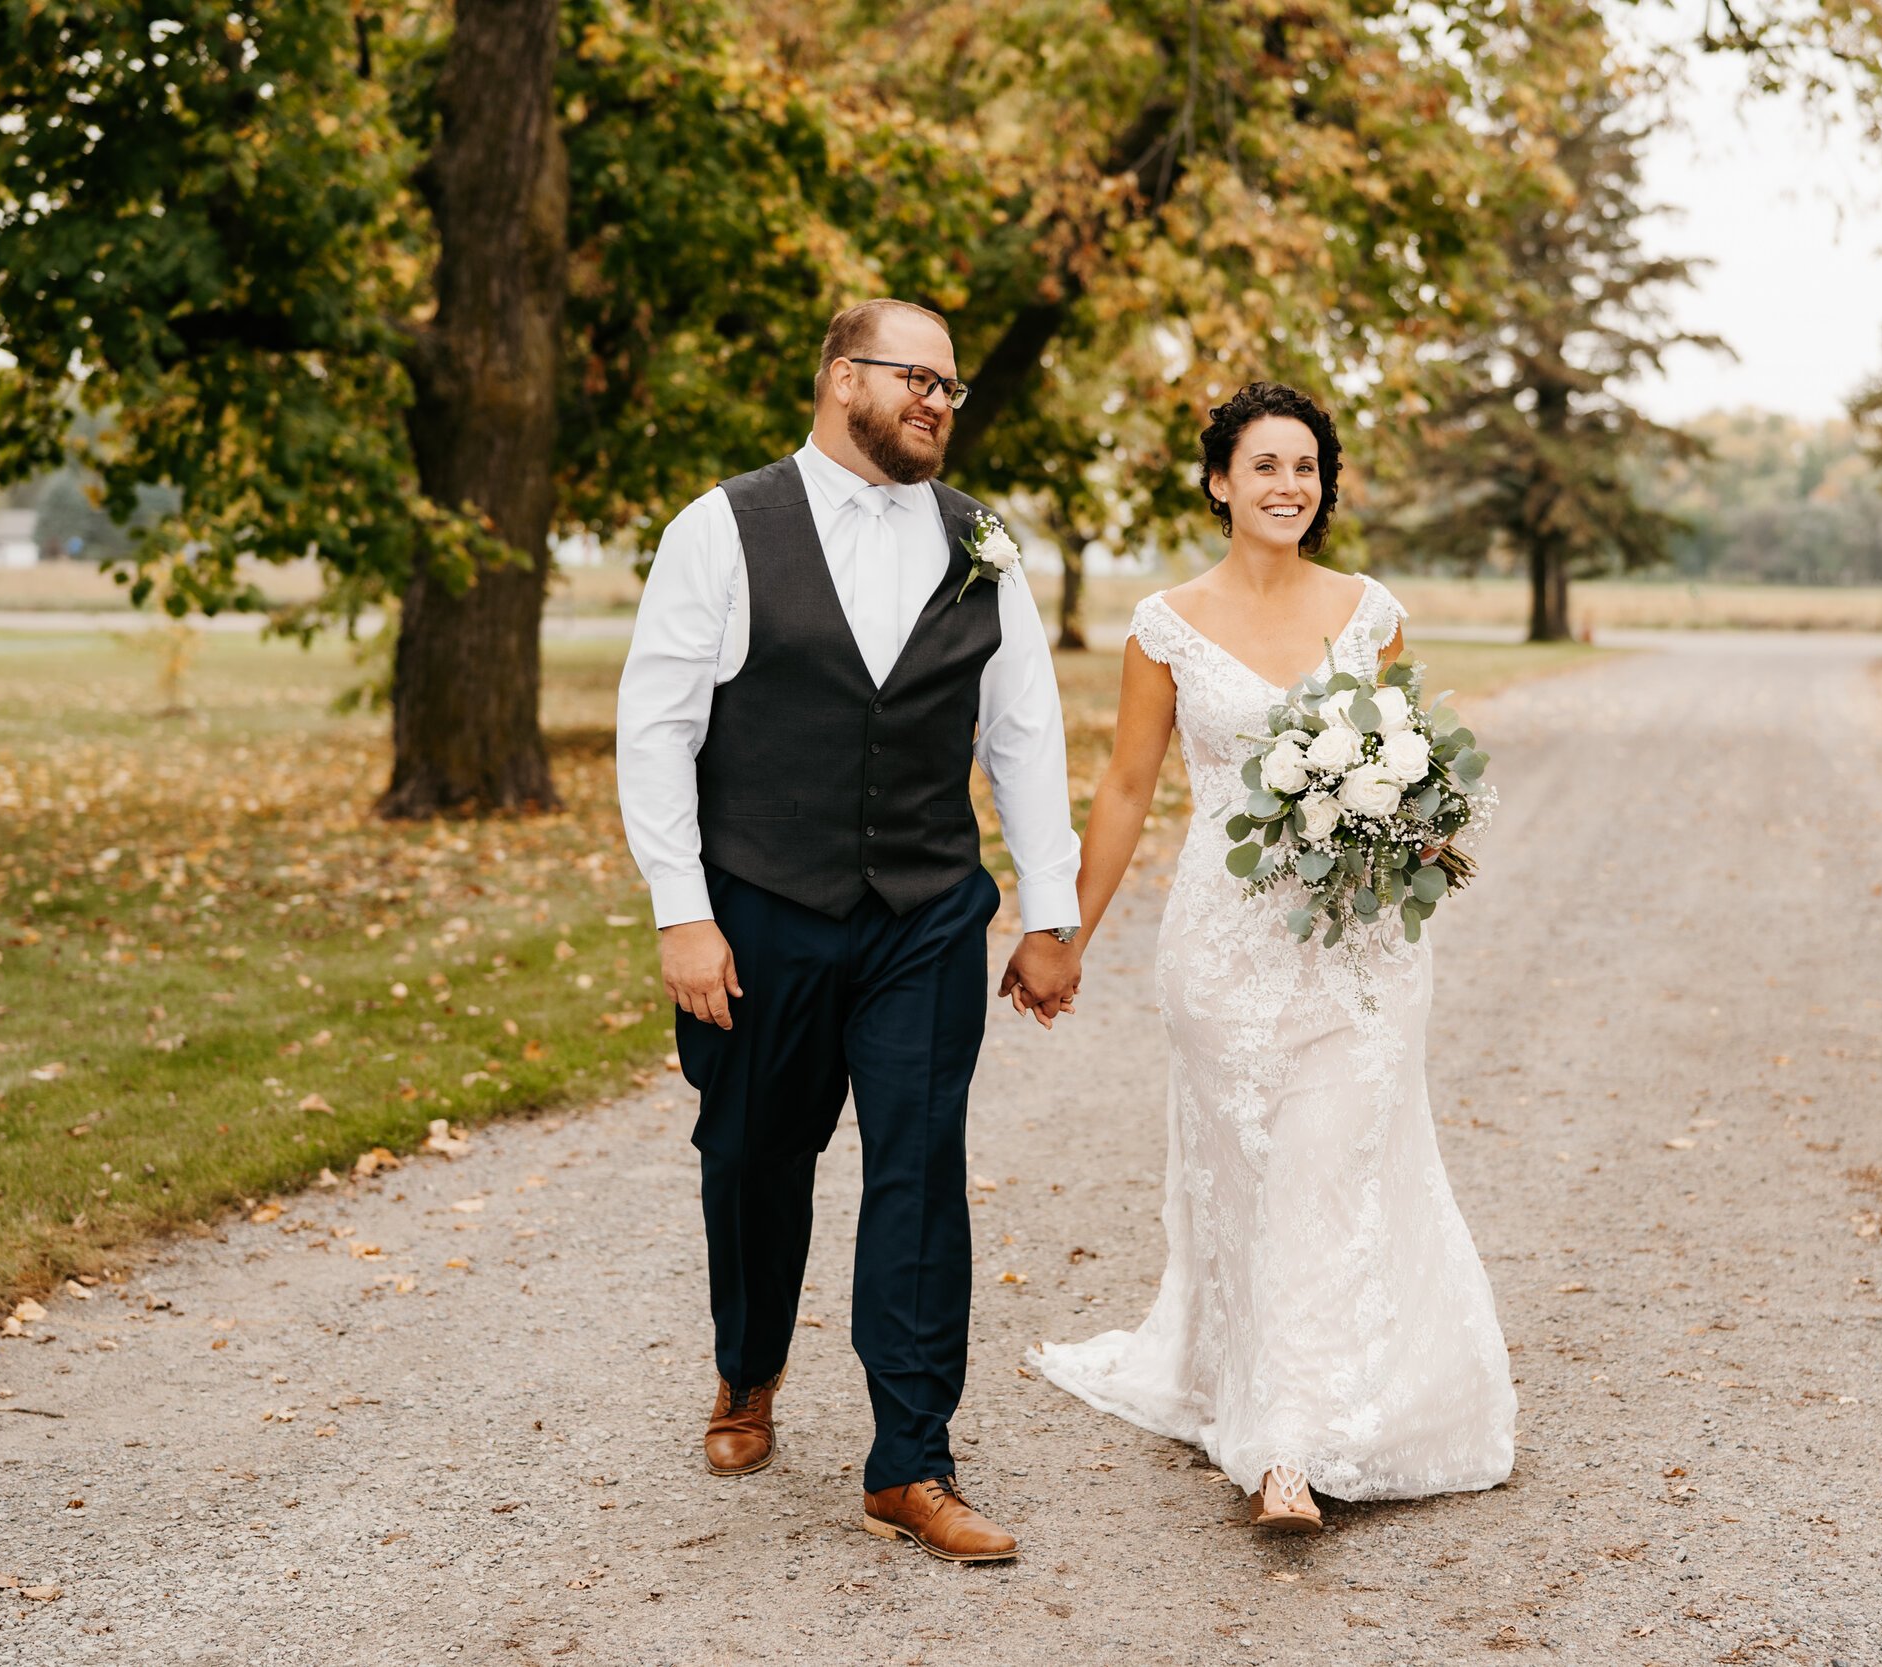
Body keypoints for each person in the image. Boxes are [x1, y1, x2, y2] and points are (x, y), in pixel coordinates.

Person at [616, 299, 1082, 1563]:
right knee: (755, 1153)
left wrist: (1052, 910)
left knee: (920, 1168)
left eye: (951, 386)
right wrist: (682, 913)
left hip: (926, 911)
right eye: (913, 377)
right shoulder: (723, 527)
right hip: (760, 908)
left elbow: (1022, 730)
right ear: (838, 380)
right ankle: (748, 1362)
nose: (937, 400)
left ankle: (910, 1462)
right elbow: (657, 724)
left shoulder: (983, 540)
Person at [1029, 382, 1518, 1532]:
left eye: (1306, 466)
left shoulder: (1367, 612)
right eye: (1264, 465)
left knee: (1325, 1170)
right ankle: (1247, 1383)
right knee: (1248, 1178)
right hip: (1224, 949)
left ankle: (1286, 1444)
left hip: (1358, 952)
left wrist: (1417, 822)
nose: (1288, 484)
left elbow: (1409, 766)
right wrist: (1066, 934)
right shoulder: (1164, 625)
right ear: (1218, 481)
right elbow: (1129, 787)